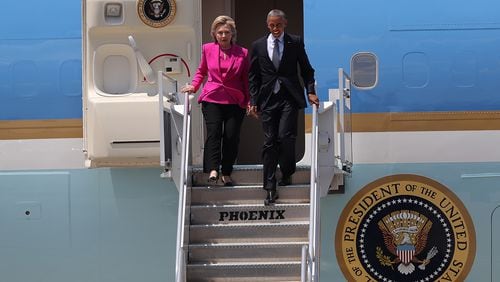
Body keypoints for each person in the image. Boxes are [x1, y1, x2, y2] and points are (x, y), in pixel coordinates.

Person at [248, 9, 319, 205]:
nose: (275, 28)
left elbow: (306, 70)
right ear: (267, 25)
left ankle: (287, 171)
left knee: (285, 137)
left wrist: (310, 91)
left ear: (285, 23)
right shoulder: (258, 46)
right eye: (271, 25)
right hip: (268, 99)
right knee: (270, 141)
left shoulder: (294, 42)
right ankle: (270, 188)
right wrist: (253, 100)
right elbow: (253, 76)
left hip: (289, 96)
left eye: (278, 24)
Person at [181, 15, 249, 186]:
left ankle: (226, 172)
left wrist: (250, 101)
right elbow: (201, 71)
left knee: (231, 137)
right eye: (220, 33)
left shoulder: (243, 53)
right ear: (214, 34)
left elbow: (247, 79)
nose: (223, 36)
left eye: (226, 32)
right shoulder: (208, 49)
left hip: (235, 100)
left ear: (232, 34)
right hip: (212, 98)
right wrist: (194, 87)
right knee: (214, 134)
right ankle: (212, 169)